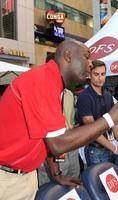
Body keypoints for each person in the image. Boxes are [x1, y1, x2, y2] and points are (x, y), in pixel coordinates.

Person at [0, 40, 118, 200]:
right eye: (87, 57)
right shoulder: (41, 80)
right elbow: (57, 143)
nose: (90, 63)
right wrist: (110, 118)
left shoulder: (53, 82)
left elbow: (47, 137)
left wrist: (56, 172)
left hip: (21, 177)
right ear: (68, 56)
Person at [37, 54, 81, 187]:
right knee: (51, 186)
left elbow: (70, 119)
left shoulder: (69, 94)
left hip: (71, 145)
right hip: (52, 148)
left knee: (74, 180)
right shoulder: (41, 94)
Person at [76, 60, 118, 166]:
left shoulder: (108, 96)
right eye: (96, 74)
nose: (100, 78)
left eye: (103, 74)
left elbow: (113, 123)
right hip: (95, 150)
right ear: (89, 75)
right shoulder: (84, 97)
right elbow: (92, 129)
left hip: (111, 145)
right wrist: (114, 148)